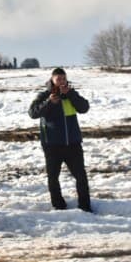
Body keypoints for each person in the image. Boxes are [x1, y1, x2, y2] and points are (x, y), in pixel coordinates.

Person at [28, 67, 92, 212]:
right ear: (52, 80)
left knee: (81, 176)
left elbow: (84, 108)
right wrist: (49, 102)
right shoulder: (44, 95)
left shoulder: (71, 93)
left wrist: (70, 94)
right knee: (53, 177)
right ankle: (58, 206)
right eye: (58, 79)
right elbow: (32, 113)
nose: (62, 82)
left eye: (64, 79)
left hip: (73, 143)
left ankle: (85, 207)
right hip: (52, 145)